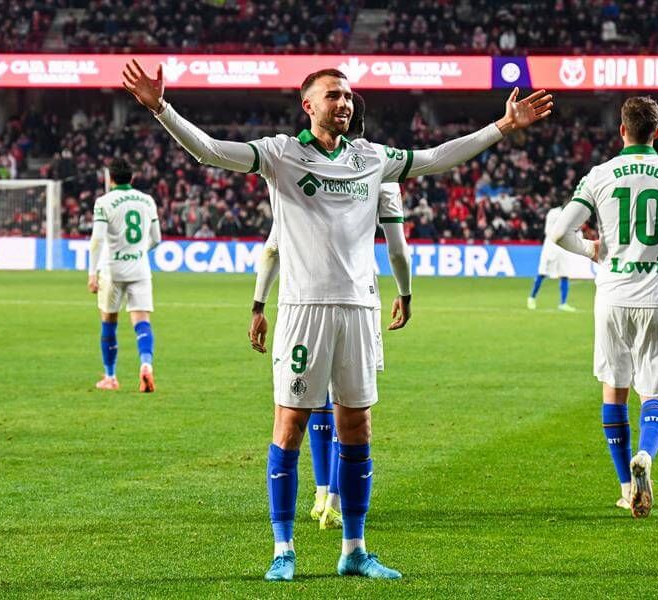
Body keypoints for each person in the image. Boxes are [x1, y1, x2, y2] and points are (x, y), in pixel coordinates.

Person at [122, 59, 552, 580]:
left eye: (348, 96)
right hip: (304, 312)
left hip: (359, 310)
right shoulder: (281, 154)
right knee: (290, 425)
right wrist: (161, 108)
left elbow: (437, 158)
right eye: (333, 96)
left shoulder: (371, 158)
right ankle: (283, 550)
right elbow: (210, 151)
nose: (344, 103)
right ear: (308, 105)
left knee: (357, 425)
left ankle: (354, 548)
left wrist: (503, 126)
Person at [250, 91, 413, 533]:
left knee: (315, 401)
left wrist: (258, 303)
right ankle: (335, 498)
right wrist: (406, 293)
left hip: (310, 299)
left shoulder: (348, 162)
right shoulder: (382, 172)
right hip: (359, 297)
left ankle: (323, 492)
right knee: (352, 408)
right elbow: (396, 248)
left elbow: (273, 245)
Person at [549, 96, 658, 519]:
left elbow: (559, 233)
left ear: (621, 130)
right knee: (654, 391)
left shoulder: (600, 175)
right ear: (657, 132)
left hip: (612, 299)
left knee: (614, 391)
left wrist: (592, 248)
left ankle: (627, 487)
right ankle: (646, 453)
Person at [87, 158, 161, 392]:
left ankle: (110, 377)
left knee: (109, 321)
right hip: (140, 268)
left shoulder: (104, 202)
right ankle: (146, 365)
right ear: (133, 177)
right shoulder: (147, 200)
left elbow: (97, 240)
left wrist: (91, 272)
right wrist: (138, 251)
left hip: (112, 270)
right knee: (142, 322)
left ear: (109, 179)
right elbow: (157, 238)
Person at [528, 198, 577, 312]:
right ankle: (532, 297)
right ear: (565, 204)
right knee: (542, 273)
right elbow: (549, 231)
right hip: (551, 247)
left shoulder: (572, 216)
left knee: (564, 274)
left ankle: (563, 303)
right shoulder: (553, 213)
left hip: (564, 249)